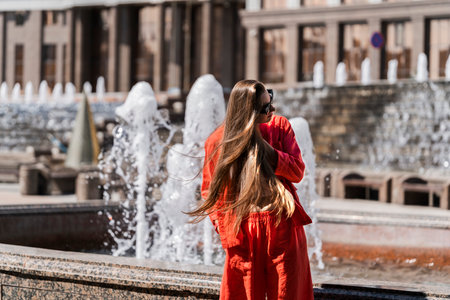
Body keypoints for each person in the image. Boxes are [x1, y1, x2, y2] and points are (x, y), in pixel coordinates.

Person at [189, 79, 314, 299]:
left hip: (281, 223)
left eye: (270, 99)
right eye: (266, 107)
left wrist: (268, 151)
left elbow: (297, 172)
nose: (272, 109)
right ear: (248, 112)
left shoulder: (279, 127)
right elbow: (210, 192)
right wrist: (223, 227)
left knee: (288, 293)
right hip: (241, 229)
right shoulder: (218, 141)